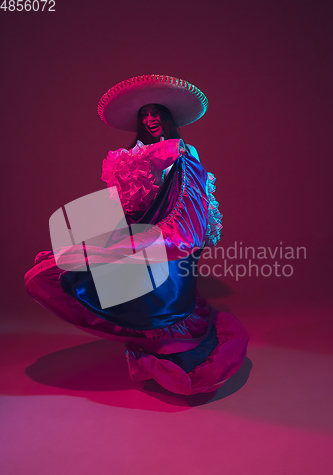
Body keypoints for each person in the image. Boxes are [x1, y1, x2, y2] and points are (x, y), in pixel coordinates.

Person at [25, 74, 248, 396]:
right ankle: (154, 348)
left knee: (166, 296)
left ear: (167, 118)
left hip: (170, 235)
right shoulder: (130, 155)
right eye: (144, 115)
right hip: (140, 230)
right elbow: (126, 201)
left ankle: (178, 358)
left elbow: (193, 196)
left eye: (156, 113)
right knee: (127, 287)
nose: (150, 119)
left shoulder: (183, 152)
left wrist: (170, 235)